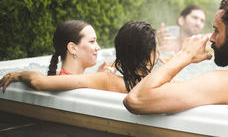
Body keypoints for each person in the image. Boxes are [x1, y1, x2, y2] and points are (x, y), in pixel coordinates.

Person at [0, 21, 158, 93]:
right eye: (92, 41)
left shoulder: (95, 79)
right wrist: (19, 74)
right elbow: (38, 81)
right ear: (72, 48)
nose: (98, 47)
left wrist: (99, 76)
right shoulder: (97, 81)